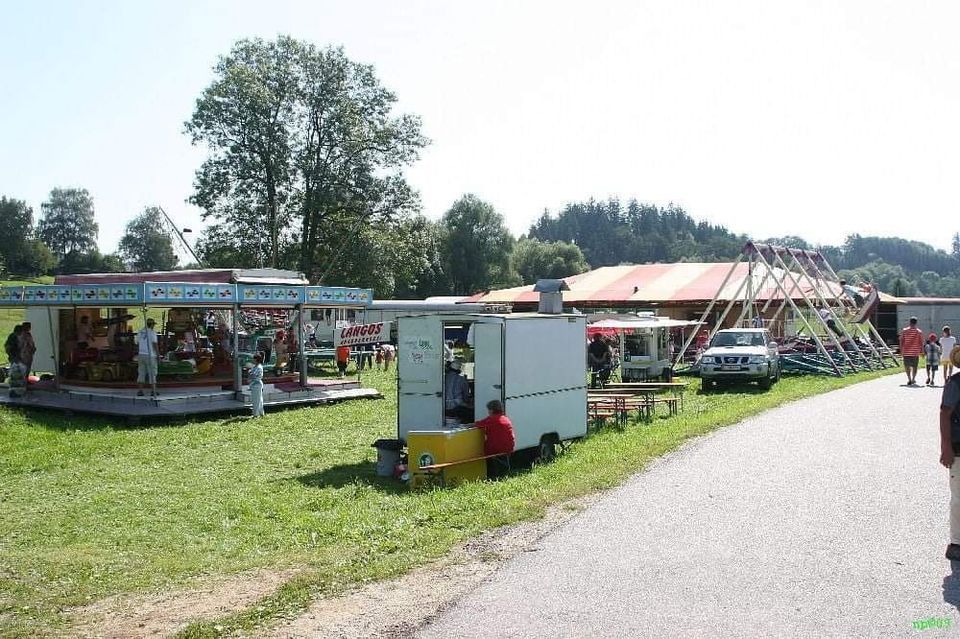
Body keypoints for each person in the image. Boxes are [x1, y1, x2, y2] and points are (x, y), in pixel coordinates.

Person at [939, 346, 960, 561]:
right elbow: (945, 414)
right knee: (959, 498)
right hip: (959, 448)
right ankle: (956, 542)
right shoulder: (955, 383)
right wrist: (946, 447)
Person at [472, 399, 516, 478]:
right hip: (508, 449)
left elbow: (477, 424)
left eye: (488, 410)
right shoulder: (506, 419)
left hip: (495, 451)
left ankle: (490, 477)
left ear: (491, 410)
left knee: (487, 453)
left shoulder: (491, 420)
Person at [136, 318, 159, 397]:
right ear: (151, 325)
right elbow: (155, 344)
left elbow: (137, 342)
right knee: (152, 373)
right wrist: (158, 355)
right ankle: (153, 391)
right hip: (150, 355)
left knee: (141, 373)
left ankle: (140, 391)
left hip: (141, 354)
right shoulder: (152, 333)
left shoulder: (140, 332)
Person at [900, 316, 925, 386]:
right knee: (915, 366)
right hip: (915, 352)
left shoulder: (904, 330)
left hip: (906, 352)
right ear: (916, 323)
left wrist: (901, 350)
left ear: (910, 322)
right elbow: (921, 342)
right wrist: (922, 351)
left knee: (907, 366)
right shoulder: (919, 332)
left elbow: (901, 340)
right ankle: (913, 378)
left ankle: (909, 379)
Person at [249, 352, 265, 417]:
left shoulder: (259, 367)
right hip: (254, 385)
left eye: (253, 359)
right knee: (259, 399)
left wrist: (250, 374)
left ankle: (255, 414)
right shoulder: (255, 367)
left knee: (256, 400)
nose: (252, 360)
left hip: (257, 385)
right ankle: (261, 412)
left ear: (256, 360)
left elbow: (254, 375)